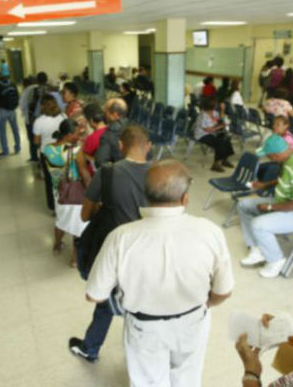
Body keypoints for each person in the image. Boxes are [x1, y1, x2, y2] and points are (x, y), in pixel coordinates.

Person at [86, 159, 234, 387]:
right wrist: (207, 303)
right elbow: (223, 291)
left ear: (146, 196)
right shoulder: (209, 231)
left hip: (145, 328)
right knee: (187, 378)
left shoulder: (121, 237)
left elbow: (95, 295)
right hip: (194, 321)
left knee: (149, 382)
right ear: (185, 198)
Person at [69, 125, 152, 363]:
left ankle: (90, 348)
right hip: (150, 247)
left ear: (120, 146)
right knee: (143, 299)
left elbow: (85, 215)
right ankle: (141, 357)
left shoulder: (107, 173)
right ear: (148, 146)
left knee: (106, 297)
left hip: (116, 247)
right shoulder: (160, 173)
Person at [238, 135, 293, 278]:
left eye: (268, 156)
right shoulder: (288, 158)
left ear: (276, 155)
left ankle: (276, 260)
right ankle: (257, 248)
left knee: (258, 224)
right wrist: (265, 184)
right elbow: (284, 179)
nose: (268, 158)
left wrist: (271, 208)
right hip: (285, 201)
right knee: (243, 205)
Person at [43, 119, 88, 267]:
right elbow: (84, 175)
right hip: (74, 194)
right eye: (76, 133)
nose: (78, 135)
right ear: (69, 135)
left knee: (61, 221)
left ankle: (57, 245)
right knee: (77, 227)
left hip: (59, 192)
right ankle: (74, 259)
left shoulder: (47, 149)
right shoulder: (75, 151)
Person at [195, 97, 235, 172]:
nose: (217, 105)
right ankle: (216, 164)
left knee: (226, 138)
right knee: (219, 143)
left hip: (212, 132)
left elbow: (220, 118)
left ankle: (224, 159)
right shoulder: (203, 116)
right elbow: (207, 129)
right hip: (202, 135)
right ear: (212, 106)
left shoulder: (212, 112)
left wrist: (222, 110)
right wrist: (220, 126)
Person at [76, 103, 108, 186]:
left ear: (91, 121)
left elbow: (83, 157)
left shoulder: (93, 138)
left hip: (93, 177)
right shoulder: (110, 131)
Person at [94, 98, 129, 168]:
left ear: (115, 115)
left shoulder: (110, 134)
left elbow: (100, 162)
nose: (104, 115)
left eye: (106, 112)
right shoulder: (136, 127)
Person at [0, 74, 21, 157]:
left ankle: (6, 151)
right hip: (12, 110)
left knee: (2, 132)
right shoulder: (13, 83)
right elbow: (17, 96)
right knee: (15, 129)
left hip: (2, 110)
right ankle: (17, 148)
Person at [27, 73, 51, 162]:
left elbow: (32, 105)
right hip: (52, 115)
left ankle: (41, 159)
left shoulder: (36, 90)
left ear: (37, 80)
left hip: (40, 117)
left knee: (40, 141)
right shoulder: (52, 88)